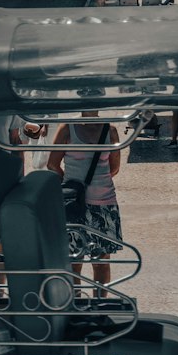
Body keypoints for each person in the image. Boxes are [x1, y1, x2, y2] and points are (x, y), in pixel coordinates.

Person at [47, 117, 122, 292]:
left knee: (76, 263)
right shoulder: (109, 130)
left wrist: (70, 182)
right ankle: (95, 308)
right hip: (101, 201)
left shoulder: (67, 128)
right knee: (98, 263)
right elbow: (114, 168)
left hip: (78, 203)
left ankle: (79, 308)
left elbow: (52, 164)